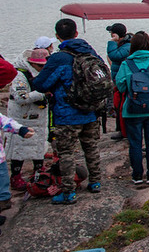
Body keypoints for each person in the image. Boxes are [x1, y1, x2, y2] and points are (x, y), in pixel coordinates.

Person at [32, 18, 103, 205]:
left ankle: (68, 192)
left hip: (66, 114)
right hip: (90, 111)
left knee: (66, 153)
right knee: (91, 148)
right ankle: (96, 182)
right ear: (77, 33)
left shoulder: (58, 59)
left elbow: (40, 84)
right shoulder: (91, 53)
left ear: (57, 36)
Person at [115, 31, 149, 185]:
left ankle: (137, 175)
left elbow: (121, 85)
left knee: (135, 143)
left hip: (133, 108)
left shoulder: (125, 64)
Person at [5, 48, 50, 191]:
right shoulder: (19, 75)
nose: (42, 68)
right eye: (40, 66)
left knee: (39, 142)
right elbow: (21, 97)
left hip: (38, 114)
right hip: (22, 115)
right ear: (31, 63)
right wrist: (42, 94)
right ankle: (16, 176)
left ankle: (39, 171)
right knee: (20, 145)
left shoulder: (39, 73)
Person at [1, 55, 36, 212]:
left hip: (0, 157)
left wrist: (19, 129)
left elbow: (2, 120)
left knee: (2, 184)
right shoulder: (17, 73)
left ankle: (3, 202)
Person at [106, 23, 132, 139]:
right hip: (119, 78)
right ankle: (121, 129)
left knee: (121, 104)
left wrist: (112, 42)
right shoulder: (123, 45)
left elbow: (114, 56)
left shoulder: (126, 46)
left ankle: (124, 131)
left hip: (122, 80)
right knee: (118, 104)